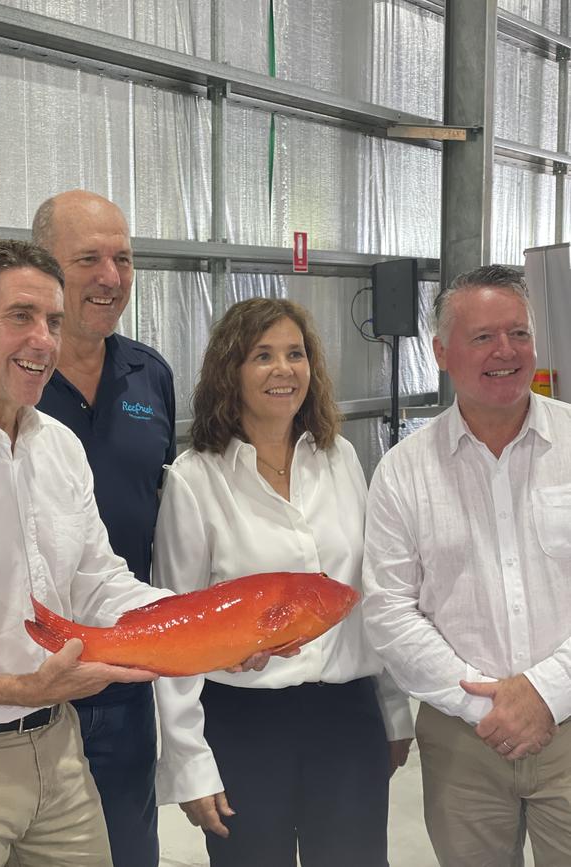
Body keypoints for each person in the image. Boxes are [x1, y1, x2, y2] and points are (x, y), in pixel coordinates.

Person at [0, 237, 172, 866]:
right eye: (20, 317)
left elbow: (99, 583)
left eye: (53, 322)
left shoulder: (56, 446)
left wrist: (206, 627)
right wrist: (23, 686)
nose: (44, 341)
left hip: (58, 752)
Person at [152, 297, 414, 867]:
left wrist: (393, 708)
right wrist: (189, 762)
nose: (283, 370)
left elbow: (369, 594)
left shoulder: (340, 457)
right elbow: (178, 632)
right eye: (262, 355)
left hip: (348, 718)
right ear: (231, 371)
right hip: (246, 726)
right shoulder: (196, 478)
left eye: (295, 354)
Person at [362, 264, 571, 866]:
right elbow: (390, 611)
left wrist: (545, 693)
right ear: (442, 353)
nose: (504, 352)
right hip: (463, 739)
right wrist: (491, 707)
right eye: (482, 337)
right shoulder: (404, 471)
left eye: (519, 333)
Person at [32, 190, 175, 867]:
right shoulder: (2, 384)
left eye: (123, 258)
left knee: (127, 843)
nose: (111, 277)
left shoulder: (151, 374)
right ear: (43, 265)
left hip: (125, 666)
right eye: (88, 258)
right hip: (25, 675)